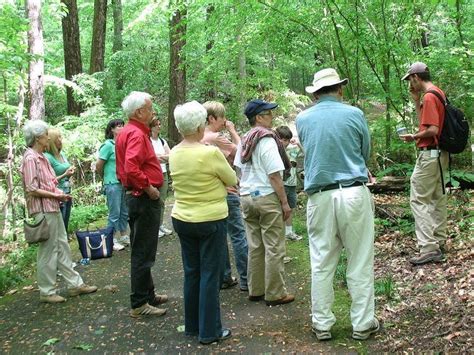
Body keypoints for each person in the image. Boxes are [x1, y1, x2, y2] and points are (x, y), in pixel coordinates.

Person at [296, 68, 378, 341]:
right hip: (354, 192)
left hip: (320, 195)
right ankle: (363, 324)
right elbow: (364, 152)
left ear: (315, 93)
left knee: (321, 261)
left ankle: (322, 324)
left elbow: (310, 152)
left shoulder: (303, 119)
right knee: (360, 259)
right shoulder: (355, 114)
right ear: (340, 89)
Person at [169, 101, 237, 344]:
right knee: (210, 273)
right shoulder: (209, 152)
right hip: (210, 219)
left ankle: (193, 325)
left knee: (192, 272)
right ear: (200, 126)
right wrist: (220, 183)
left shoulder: (174, 152)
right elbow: (231, 177)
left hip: (182, 218)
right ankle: (210, 331)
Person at [21, 120, 97, 304]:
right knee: (48, 250)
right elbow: (31, 188)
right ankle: (46, 291)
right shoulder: (31, 158)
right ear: (38, 138)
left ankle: (75, 284)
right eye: (46, 134)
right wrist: (56, 196)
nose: (49, 137)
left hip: (52, 207)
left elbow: (49, 182)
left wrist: (59, 193)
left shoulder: (42, 157)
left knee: (62, 245)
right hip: (43, 210)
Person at [234, 99, 295, 307]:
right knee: (274, 246)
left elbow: (238, 169)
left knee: (255, 245)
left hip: (247, 196)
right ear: (258, 117)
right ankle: (275, 293)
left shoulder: (245, 139)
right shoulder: (267, 140)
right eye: (268, 114)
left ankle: (256, 289)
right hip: (266, 197)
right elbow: (275, 176)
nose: (272, 117)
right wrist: (285, 203)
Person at [115, 91, 168, 318]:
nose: (152, 112)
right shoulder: (136, 134)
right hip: (143, 197)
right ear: (139, 112)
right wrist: (149, 188)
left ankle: (148, 294)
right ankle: (139, 303)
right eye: (150, 108)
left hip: (137, 197)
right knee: (143, 252)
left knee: (143, 247)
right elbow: (131, 168)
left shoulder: (128, 132)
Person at [400, 62, 448, 265]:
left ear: (416, 77)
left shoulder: (430, 96)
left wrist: (413, 136)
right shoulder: (437, 93)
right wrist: (415, 101)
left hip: (429, 155)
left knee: (418, 198)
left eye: (410, 80)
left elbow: (432, 130)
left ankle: (428, 248)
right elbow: (426, 122)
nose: (410, 84)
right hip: (440, 154)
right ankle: (438, 239)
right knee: (437, 196)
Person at [201, 100, 249, 292]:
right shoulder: (216, 137)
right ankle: (246, 279)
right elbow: (242, 152)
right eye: (222, 118)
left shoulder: (198, 137)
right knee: (238, 235)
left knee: (219, 236)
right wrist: (233, 131)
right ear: (212, 118)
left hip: (210, 192)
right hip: (227, 190)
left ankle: (224, 276)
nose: (224, 121)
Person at [96, 119, 129, 251]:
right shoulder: (108, 145)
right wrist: (104, 176)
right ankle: (111, 239)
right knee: (114, 212)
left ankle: (123, 235)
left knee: (124, 211)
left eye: (122, 125)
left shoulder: (123, 144)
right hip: (112, 183)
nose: (121, 128)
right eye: (118, 126)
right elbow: (99, 165)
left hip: (123, 182)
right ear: (111, 129)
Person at [44, 128, 75, 233]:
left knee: (65, 221)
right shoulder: (48, 157)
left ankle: (64, 245)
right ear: (52, 140)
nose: (61, 139)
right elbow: (48, 181)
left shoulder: (62, 154)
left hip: (67, 190)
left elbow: (66, 172)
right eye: (58, 137)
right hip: (57, 193)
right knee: (59, 223)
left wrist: (69, 174)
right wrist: (65, 174)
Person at [275, 125, 303, 241]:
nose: (284, 142)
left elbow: (305, 153)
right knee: (280, 209)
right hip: (281, 184)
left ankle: (289, 232)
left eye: (286, 140)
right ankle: (280, 234)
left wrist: (297, 144)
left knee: (290, 208)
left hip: (292, 184)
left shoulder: (292, 150)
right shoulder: (274, 152)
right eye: (282, 139)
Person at [150, 117, 173, 238]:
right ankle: (153, 227)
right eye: (156, 125)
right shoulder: (148, 141)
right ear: (151, 127)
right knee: (154, 201)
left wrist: (159, 157)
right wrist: (159, 157)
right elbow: (149, 158)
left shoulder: (162, 141)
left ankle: (160, 225)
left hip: (163, 173)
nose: (159, 126)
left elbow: (171, 156)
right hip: (152, 174)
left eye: (160, 124)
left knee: (162, 200)